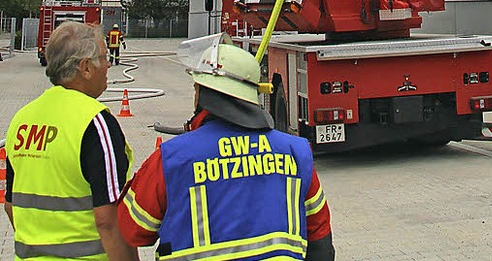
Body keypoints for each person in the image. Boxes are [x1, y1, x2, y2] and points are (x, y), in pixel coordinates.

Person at [118, 33, 335, 261]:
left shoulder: (171, 159)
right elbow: (321, 244)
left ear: (203, 94)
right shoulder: (296, 153)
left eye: (196, 88)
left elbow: (131, 229)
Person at [4, 21, 136, 261]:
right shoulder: (95, 122)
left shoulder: (21, 120)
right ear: (85, 67)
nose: (108, 65)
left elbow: (11, 206)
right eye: (104, 58)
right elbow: (109, 220)